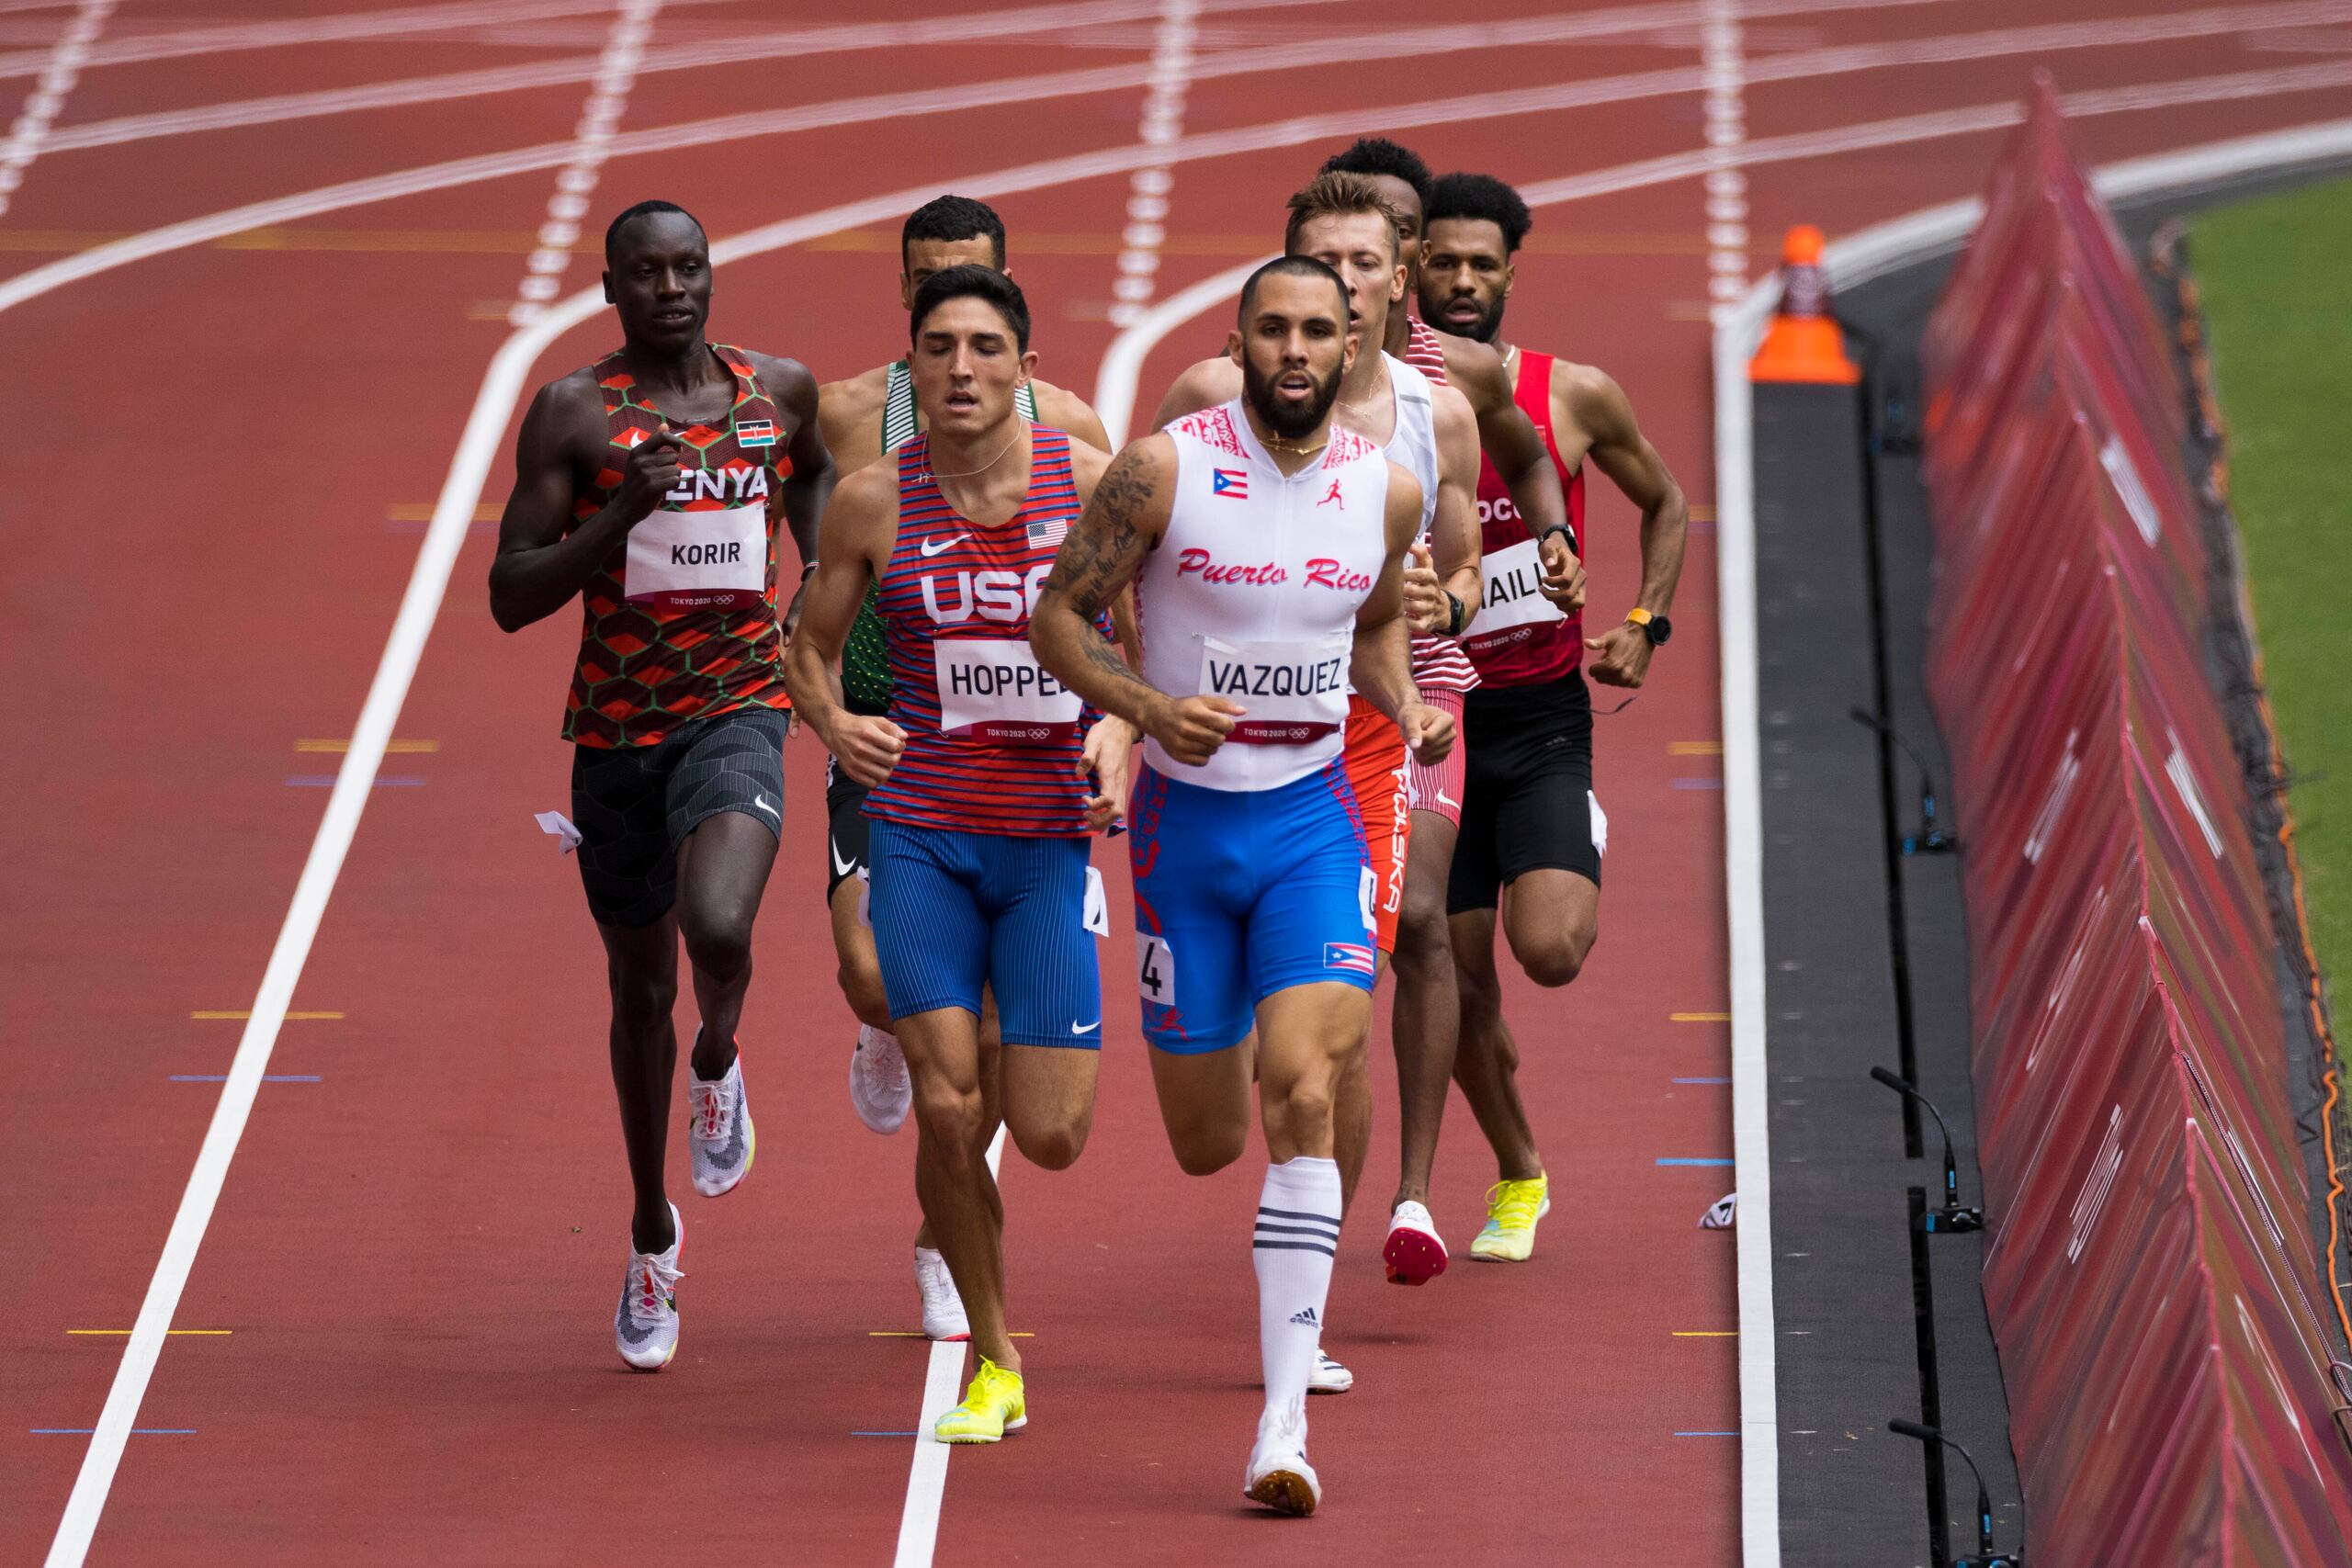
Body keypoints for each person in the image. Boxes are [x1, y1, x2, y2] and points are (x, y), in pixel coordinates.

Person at [1032, 254, 1451, 1515]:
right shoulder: (1163, 467)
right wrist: (1149, 706)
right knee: (1211, 1136)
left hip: (1317, 823)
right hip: (1181, 833)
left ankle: (1282, 1424)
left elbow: (1373, 626)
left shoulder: (1386, 489)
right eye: (1274, 327)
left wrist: (1412, 703)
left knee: (1310, 1080)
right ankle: (1276, 1370)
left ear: (1352, 340)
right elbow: (1060, 616)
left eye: (1319, 329)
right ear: (1241, 339)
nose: (1296, 349)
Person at [488, 200, 834, 1370]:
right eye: (646, 273)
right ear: (611, 289)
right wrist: (617, 520)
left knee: (722, 925)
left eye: (688, 266)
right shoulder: (574, 414)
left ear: (711, 275)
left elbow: (821, 478)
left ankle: (720, 1060)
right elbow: (510, 593)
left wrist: (820, 586)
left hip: (738, 705)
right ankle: (650, 1235)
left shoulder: (775, 392)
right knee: (638, 993)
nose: (671, 288)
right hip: (617, 735)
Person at [788, 265, 1128, 1445]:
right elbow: (808, 644)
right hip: (922, 830)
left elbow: (1144, 647)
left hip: (1044, 844)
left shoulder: (1089, 488)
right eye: (938, 348)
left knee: (1048, 1132)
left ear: (1026, 367)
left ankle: (979, 1270)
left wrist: (1122, 730)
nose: (962, 369)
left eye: (986, 348)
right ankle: (994, 1356)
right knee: (944, 1103)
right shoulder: (873, 502)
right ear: (913, 365)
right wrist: (835, 724)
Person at [1416, 170, 1690, 1260]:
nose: (1464, 281)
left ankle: (1570, 823)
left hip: (1536, 721)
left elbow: (1663, 499)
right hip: (1430, 720)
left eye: (1484, 263)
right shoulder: (1372, 408)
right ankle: (1519, 1173)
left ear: (1512, 272)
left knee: (1553, 949)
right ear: (1409, 268)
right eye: (1444, 260)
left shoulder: (1568, 393)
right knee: (1453, 972)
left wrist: (1644, 621)